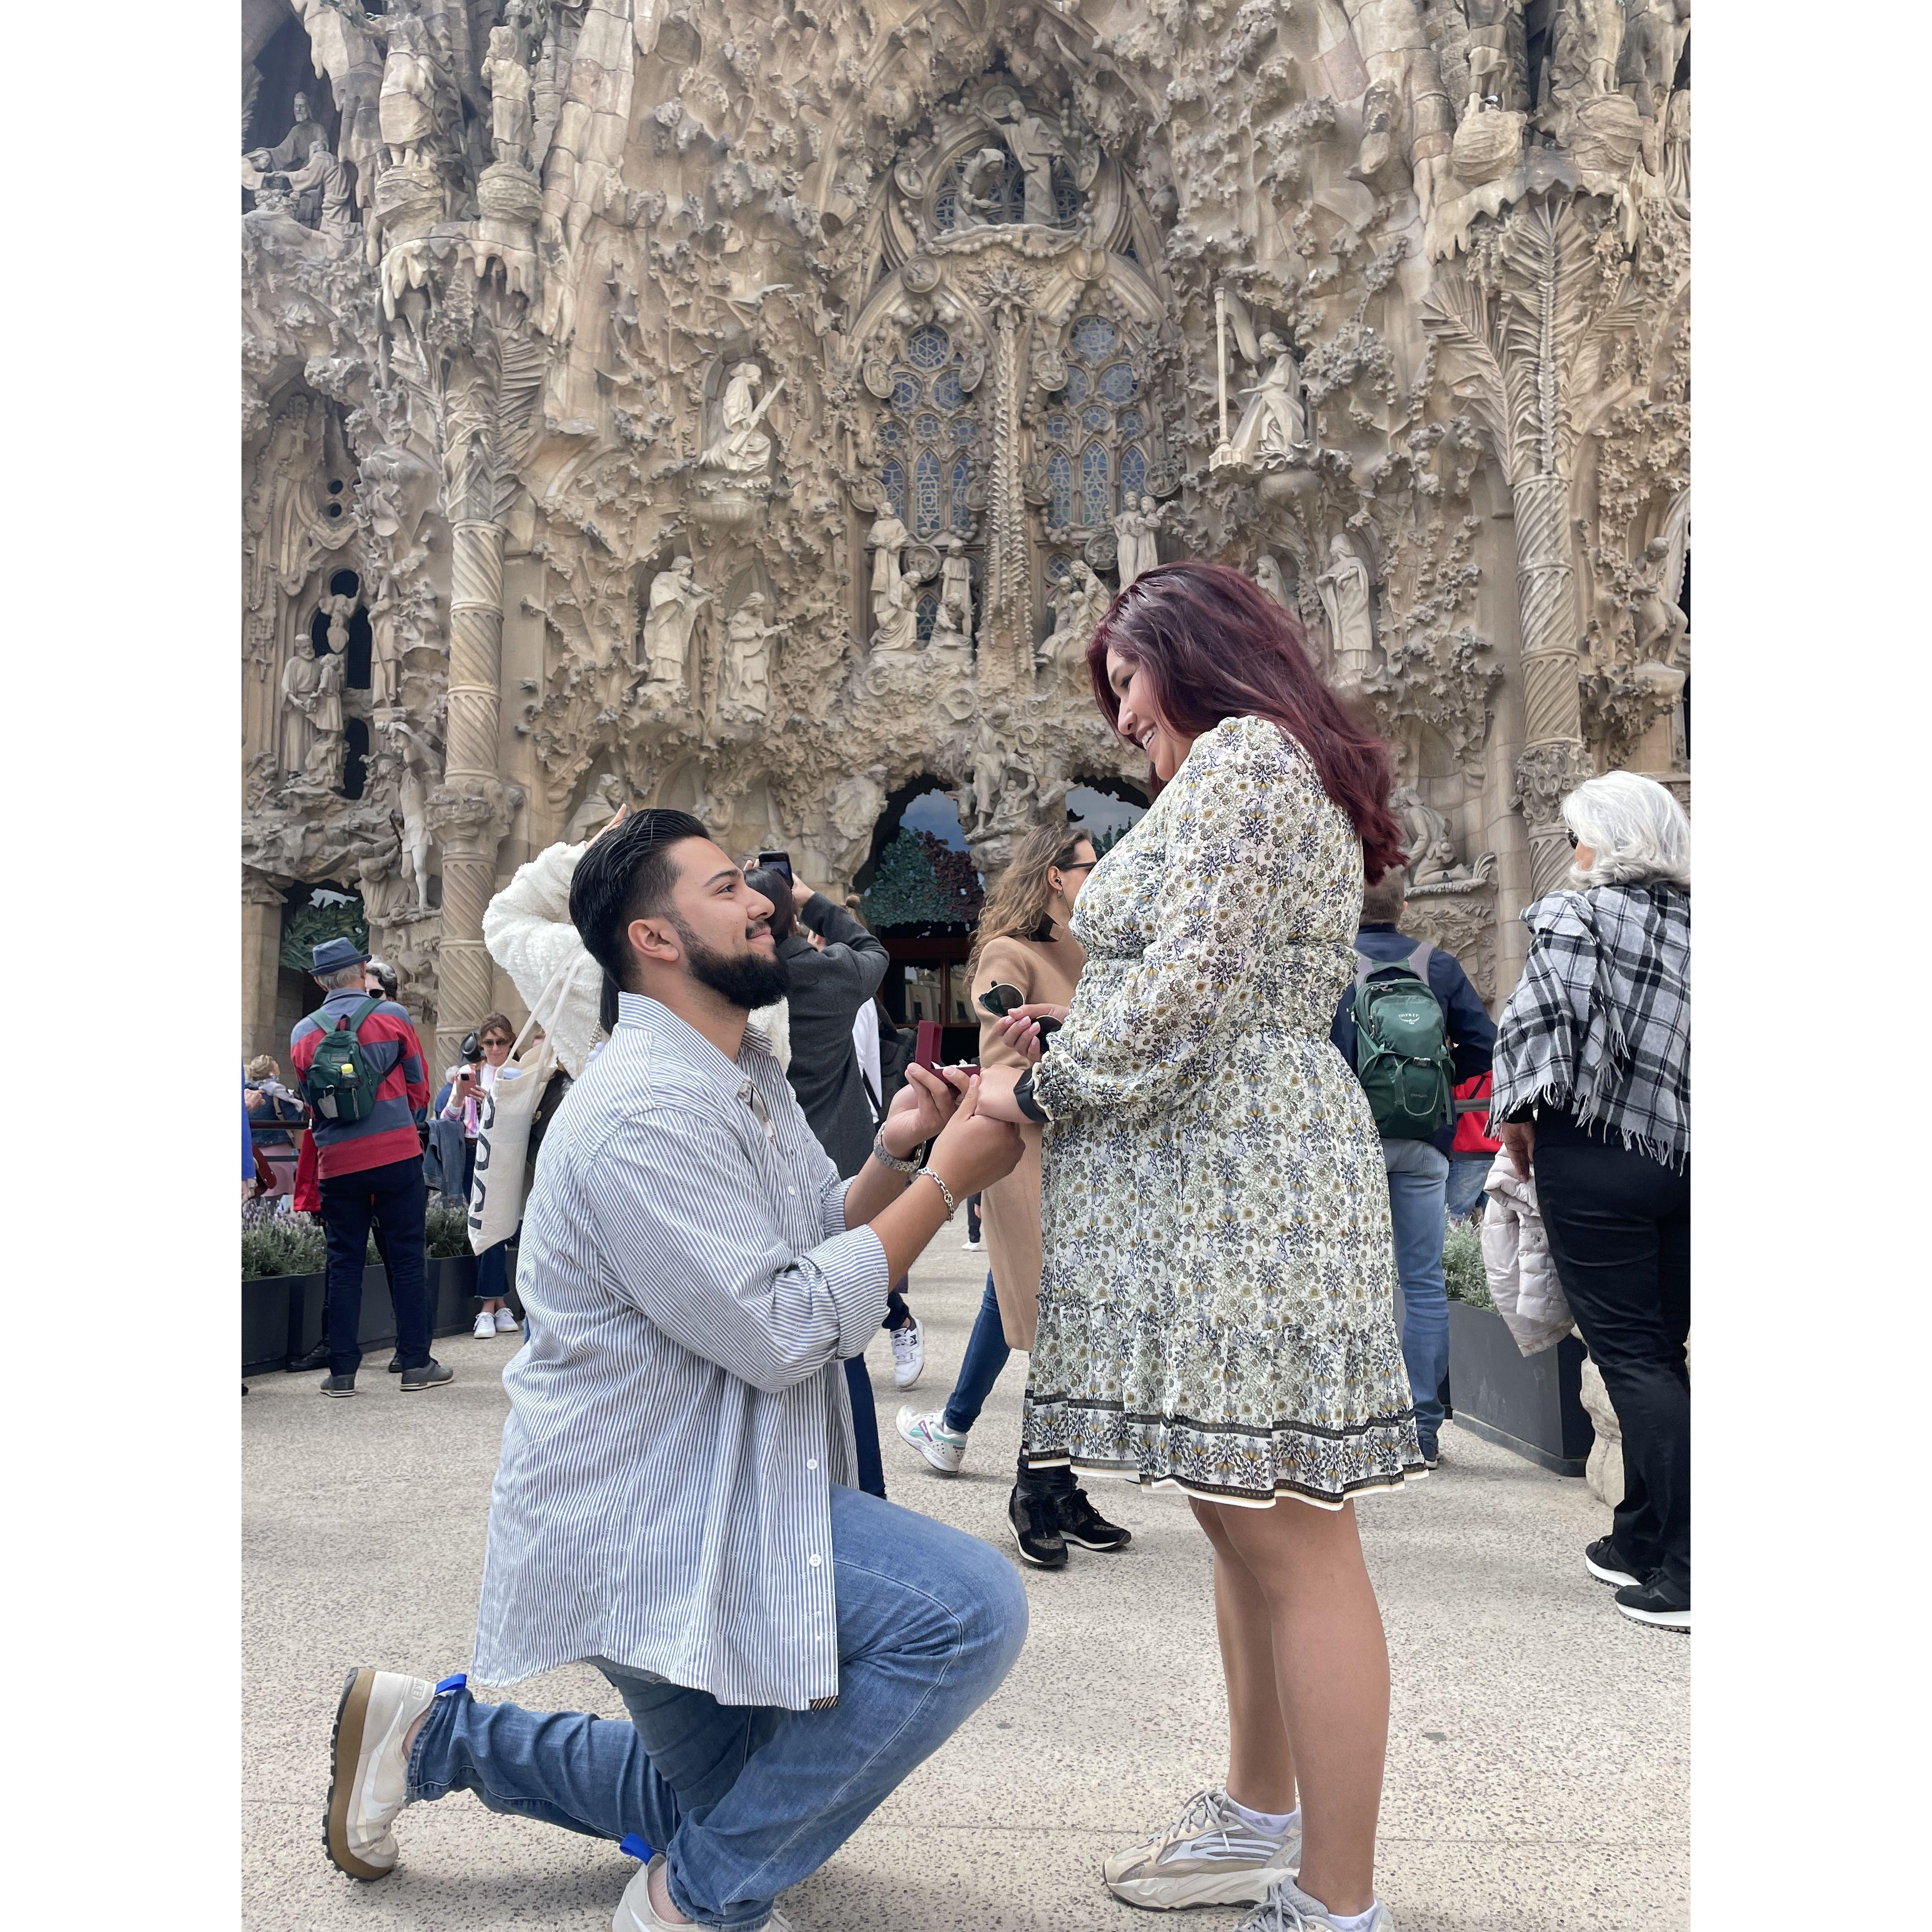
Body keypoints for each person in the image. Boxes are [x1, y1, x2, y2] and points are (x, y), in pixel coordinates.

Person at [323, 809, 1028, 1932]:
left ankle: (433, 1737)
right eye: (725, 889)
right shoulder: (642, 1112)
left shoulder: (735, 1071)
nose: (765, 903)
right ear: (653, 939)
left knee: (744, 1795)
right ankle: (688, 1903)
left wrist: (896, 1154)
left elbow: (806, 1241)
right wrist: (946, 1186)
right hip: (655, 1517)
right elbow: (788, 1326)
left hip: (710, 1484)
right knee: (966, 1612)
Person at [974, 562, 1422, 1932]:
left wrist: (1039, 1087)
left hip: (1247, 1171)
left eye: (1126, 681)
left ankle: (1336, 1901)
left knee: (1290, 1536)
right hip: (1245, 1150)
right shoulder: (1275, 769)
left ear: (1193, 656)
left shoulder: (1239, 759)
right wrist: (1076, 1036)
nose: (1121, 721)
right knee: (1248, 1520)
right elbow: (1200, 986)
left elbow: (1185, 990)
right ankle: (1257, 1814)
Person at [897, 821, 1132, 1570]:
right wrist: (1063, 1047)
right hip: (1029, 1157)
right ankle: (1035, 1488)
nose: (1100, 875)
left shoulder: (1094, 949)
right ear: (1055, 875)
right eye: (1090, 866)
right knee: (1050, 1317)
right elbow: (1002, 1056)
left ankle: (1056, 1485)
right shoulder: (1009, 952)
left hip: (1090, 1158)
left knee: (1060, 1317)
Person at [1491, 770, 1690, 1633]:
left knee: (1631, 1356)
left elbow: (1537, 1033)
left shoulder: (1574, 915)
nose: (1572, 850)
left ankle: (1692, 1569)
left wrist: (1520, 1117)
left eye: (1579, 834)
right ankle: (1640, 1534)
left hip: (1596, 1152)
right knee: (1660, 1349)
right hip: (1688, 1156)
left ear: (1603, 841)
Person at [755, 863, 917, 1492]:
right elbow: (874, 951)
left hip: (764, 1164)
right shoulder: (824, 976)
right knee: (835, 1314)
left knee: (791, 1314)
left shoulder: (737, 988)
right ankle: (859, 1486)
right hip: (832, 1157)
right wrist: (813, 902)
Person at [1329, 866, 1495, 1469]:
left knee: (1351, 1281)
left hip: (1349, 1144)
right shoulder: (1440, 967)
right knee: (1422, 1283)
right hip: (1425, 1139)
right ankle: (1423, 1427)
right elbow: (1485, 1047)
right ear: (1404, 905)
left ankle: (1354, 1425)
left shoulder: (1331, 967)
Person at [288, 937, 450, 1396]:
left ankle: (342, 1373)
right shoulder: (393, 1017)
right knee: (406, 1257)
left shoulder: (303, 1033)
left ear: (320, 981)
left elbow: (309, 1099)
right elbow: (419, 1086)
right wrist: (400, 1117)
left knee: (344, 1264)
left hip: (336, 1163)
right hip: (396, 1155)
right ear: (362, 971)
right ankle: (416, 1362)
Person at [440, 1014, 522, 1338]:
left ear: (511, 1042)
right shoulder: (469, 1073)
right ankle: (500, 1304)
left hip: (503, 1152)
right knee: (480, 1226)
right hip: (471, 1151)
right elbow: (447, 1119)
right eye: (488, 1043)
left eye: (501, 1042)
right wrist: (460, 1097)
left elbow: (523, 1117)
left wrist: (492, 1102)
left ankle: (486, 1308)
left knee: (495, 1227)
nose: (494, 1048)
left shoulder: (518, 1073)